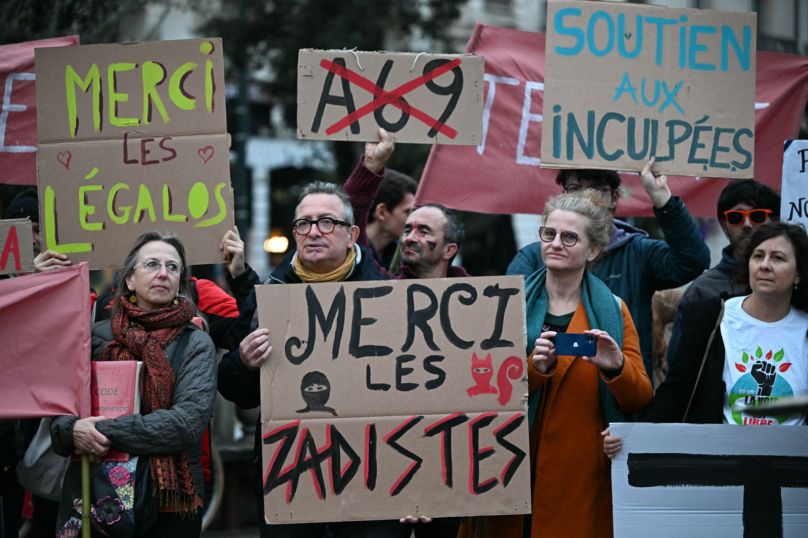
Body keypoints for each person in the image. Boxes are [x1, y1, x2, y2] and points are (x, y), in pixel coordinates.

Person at [217, 183, 405, 538]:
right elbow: (233, 389)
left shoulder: (390, 297)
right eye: (303, 224)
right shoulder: (270, 298)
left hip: (374, 472)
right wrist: (244, 363)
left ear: (352, 235)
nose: (314, 231)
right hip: (291, 471)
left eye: (326, 222)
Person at [461, 192, 652, 538]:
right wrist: (535, 370)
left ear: (593, 250)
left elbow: (639, 398)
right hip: (507, 464)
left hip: (576, 476)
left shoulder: (614, 310)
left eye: (569, 237)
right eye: (549, 234)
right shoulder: (505, 304)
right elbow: (474, 388)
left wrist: (615, 367)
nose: (556, 244)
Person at [50, 232, 217, 537]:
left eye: (173, 267)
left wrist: (98, 432)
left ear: (180, 282)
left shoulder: (197, 343)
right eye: (152, 264)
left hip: (169, 503)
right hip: (96, 491)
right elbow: (60, 412)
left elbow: (185, 424)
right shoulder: (93, 336)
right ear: (129, 279)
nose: (163, 273)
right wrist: (72, 429)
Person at [605, 222, 808, 458]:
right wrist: (630, 435)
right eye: (758, 256)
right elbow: (675, 393)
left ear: (799, 274)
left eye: (778, 258)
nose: (764, 265)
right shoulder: (710, 317)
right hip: (722, 470)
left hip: (794, 475)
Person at [506, 160, 711, 379]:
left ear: (614, 198)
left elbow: (693, 261)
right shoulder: (533, 257)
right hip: (548, 389)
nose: (585, 196)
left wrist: (662, 198)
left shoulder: (638, 253)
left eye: (596, 189)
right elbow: (509, 324)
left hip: (618, 391)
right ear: (563, 194)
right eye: (575, 188)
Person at [666, 179, 781, 367]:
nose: (747, 224)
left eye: (757, 216)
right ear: (724, 225)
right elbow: (680, 372)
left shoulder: (794, 285)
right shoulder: (701, 292)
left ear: (775, 222)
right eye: (736, 217)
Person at [343, 129, 470, 280]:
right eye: (407, 230)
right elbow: (349, 214)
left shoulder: (477, 298)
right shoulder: (385, 287)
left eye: (424, 232)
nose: (409, 238)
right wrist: (371, 165)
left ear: (448, 250)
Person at [364, 166, 417, 271]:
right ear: (382, 212)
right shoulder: (346, 257)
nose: (415, 221)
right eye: (408, 212)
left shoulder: (403, 259)